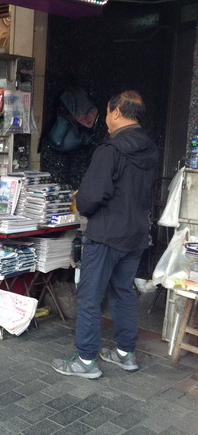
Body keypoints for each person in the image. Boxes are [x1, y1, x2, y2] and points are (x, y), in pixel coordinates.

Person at [52, 91, 159, 379]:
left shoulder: (110, 150)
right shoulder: (150, 150)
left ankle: (86, 359)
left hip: (106, 234)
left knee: (90, 296)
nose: (106, 119)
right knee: (123, 292)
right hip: (136, 234)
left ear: (117, 112)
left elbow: (90, 198)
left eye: (108, 113)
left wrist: (82, 204)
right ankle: (126, 353)